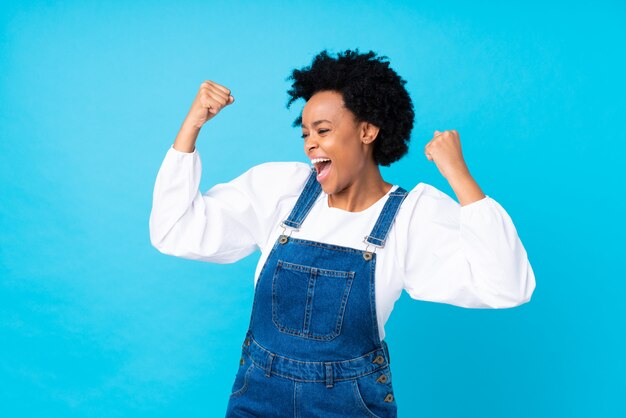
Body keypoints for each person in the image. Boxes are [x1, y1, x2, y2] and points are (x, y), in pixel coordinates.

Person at [149, 49, 536, 417]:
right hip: (257, 400)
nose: (310, 143)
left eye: (323, 130)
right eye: (305, 134)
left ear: (367, 130)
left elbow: (507, 286)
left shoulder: (410, 217)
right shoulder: (281, 191)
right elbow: (174, 230)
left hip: (350, 407)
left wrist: (458, 175)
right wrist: (191, 127)